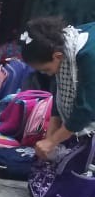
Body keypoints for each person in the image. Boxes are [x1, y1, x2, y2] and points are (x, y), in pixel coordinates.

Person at [21, 16, 95, 162]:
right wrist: (50, 135)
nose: (48, 74)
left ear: (57, 56)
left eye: (46, 70)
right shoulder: (63, 45)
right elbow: (60, 91)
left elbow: (86, 107)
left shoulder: (88, 57)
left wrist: (52, 141)